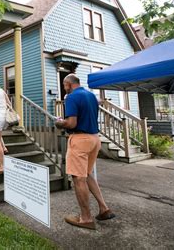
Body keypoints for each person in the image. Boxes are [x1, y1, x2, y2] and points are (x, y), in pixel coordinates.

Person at [55, 74, 115, 230]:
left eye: (64, 85)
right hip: (95, 139)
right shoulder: (91, 95)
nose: (64, 88)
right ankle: (104, 208)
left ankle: (86, 218)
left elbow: (72, 122)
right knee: (87, 175)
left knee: (78, 179)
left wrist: (60, 123)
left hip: (80, 140)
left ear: (68, 84)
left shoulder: (71, 97)